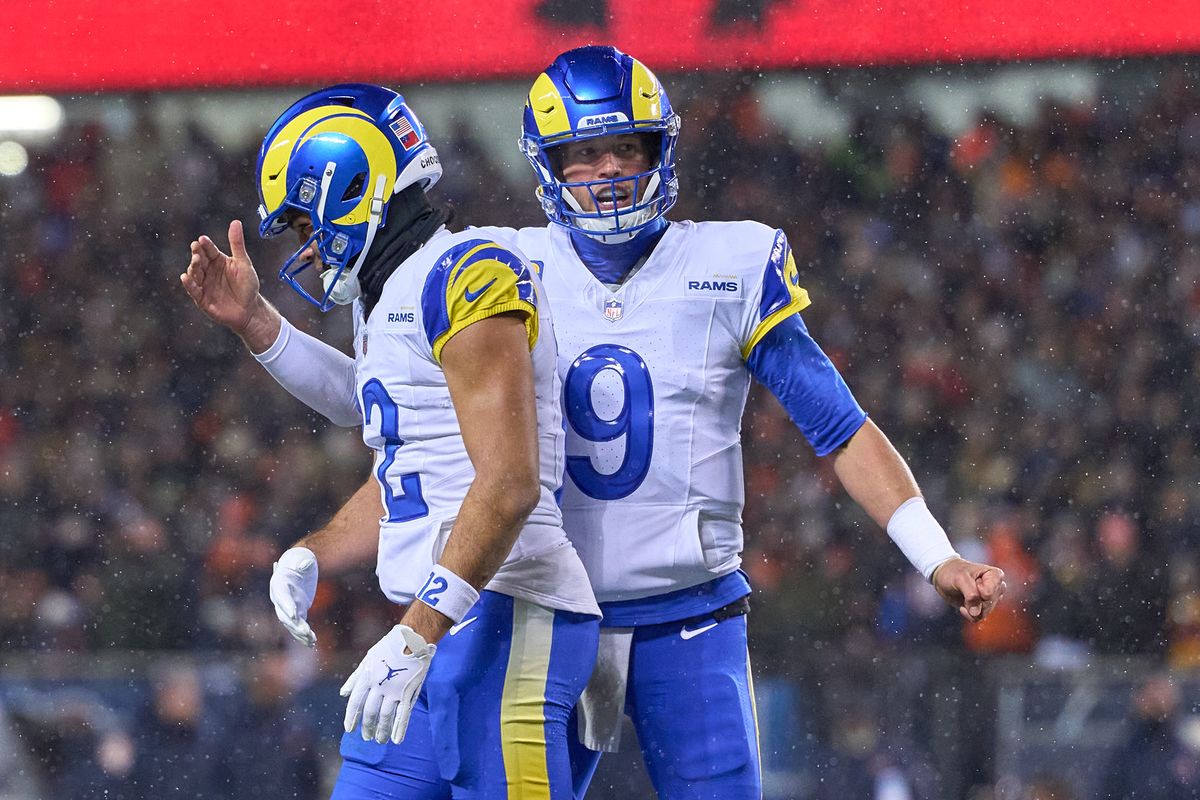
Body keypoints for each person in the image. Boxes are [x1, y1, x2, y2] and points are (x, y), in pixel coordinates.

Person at [243, 51, 1008, 799]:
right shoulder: (497, 266)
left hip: (688, 616)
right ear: (549, 165)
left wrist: (936, 556)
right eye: (583, 154)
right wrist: (259, 328)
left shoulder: (728, 264)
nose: (608, 170)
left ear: (659, 151)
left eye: (625, 148)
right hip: (531, 614)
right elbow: (424, 438)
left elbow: (839, 428)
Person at [180, 83, 600, 799]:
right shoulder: (394, 289)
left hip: (509, 618)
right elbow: (399, 447)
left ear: (355, 184)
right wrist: (316, 549)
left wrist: (418, 632)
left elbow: (508, 483)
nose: (308, 248)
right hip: (437, 621)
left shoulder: (469, 272)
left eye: (308, 224)